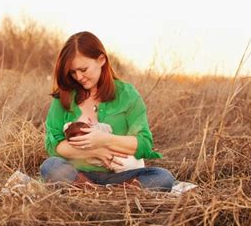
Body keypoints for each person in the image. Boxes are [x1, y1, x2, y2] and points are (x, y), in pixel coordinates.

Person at [40, 31, 175, 192]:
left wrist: (103, 140)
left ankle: (95, 192)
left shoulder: (127, 95)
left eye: (83, 69)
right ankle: (104, 192)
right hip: (77, 172)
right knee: (51, 166)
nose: (78, 77)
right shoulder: (64, 96)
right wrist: (94, 152)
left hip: (122, 176)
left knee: (163, 177)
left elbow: (144, 144)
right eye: (73, 72)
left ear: (101, 60)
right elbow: (53, 145)